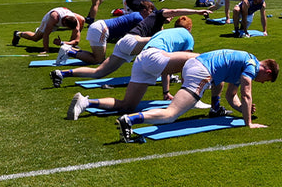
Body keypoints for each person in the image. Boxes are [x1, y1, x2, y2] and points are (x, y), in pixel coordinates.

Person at [113, 50, 280, 143]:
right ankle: (129, 120)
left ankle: (215, 108)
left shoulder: (245, 62)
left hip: (193, 65)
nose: (263, 83)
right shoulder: (252, 66)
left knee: (219, 82)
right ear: (268, 71)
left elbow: (232, 96)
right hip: (201, 72)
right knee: (171, 114)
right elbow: (246, 94)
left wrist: (243, 109)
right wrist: (249, 122)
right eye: (267, 80)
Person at [67, 26, 201, 120]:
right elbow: (187, 66)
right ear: (189, 28)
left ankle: (86, 102)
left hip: (141, 59)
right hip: (155, 57)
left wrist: (166, 92)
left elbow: (164, 67)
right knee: (197, 60)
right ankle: (193, 99)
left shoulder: (165, 33)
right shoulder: (188, 37)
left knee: (128, 105)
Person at [52, 8, 199, 87]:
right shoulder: (157, 16)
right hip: (132, 42)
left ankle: (62, 73)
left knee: (99, 72)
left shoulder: (160, 28)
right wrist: (197, 11)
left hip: (125, 44)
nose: (171, 17)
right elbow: (174, 11)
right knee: (161, 49)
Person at [12, 6, 84, 52]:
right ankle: (18, 34)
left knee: (82, 19)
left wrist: (62, 43)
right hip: (51, 18)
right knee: (35, 38)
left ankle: (70, 46)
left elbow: (76, 41)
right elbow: (46, 34)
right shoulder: (54, 18)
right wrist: (46, 50)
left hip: (63, 17)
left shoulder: (76, 22)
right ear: (64, 24)